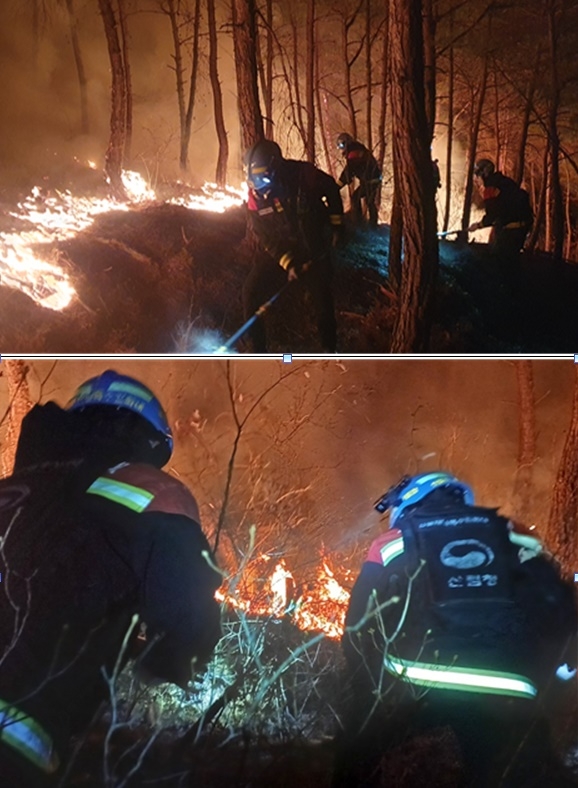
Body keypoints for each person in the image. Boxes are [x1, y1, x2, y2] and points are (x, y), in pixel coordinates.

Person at [0, 370, 222, 786]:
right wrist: (161, 661)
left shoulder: (14, 488)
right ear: (147, 439)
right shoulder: (155, 489)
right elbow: (187, 629)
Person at [335, 471, 577, 788]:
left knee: (359, 756)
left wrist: (364, 691)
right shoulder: (511, 535)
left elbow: (358, 626)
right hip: (506, 684)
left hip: (415, 680)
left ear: (408, 504)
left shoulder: (393, 541)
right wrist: (551, 680)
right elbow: (557, 608)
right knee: (518, 771)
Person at [244, 139, 344, 353]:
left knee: (322, 302)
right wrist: (287, 263)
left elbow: (332, 190)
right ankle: (257, 352)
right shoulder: (254, 199)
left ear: (276, 168)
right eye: (253, 180)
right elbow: (265, 236)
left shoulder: (303, 176)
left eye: (262, 178)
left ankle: (329, 352)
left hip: (313, 248)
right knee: (250, 293)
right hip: (283, 250)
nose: (258, 187)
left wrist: (336, 227)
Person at [468, 158, 534, 284]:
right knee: (511, 259)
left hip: (512, 228)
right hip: (523, 224)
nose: (476, 179)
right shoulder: (504, 181)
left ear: (483, 174)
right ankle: (514, 289)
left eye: (477, 175)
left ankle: (507, 292)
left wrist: (479, 225)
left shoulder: (490, 188)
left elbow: (492, 214)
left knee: (502, 259)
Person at [336, 132, 382, 228]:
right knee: (369, 201)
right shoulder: (356, 149)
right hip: (372, 179)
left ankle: (360, 223)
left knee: (356, 198)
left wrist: (338, 186)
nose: (341, 148)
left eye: (341, 145)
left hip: (370, 180)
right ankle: (371, 223)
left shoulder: (353, 153)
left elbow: (349, 171)